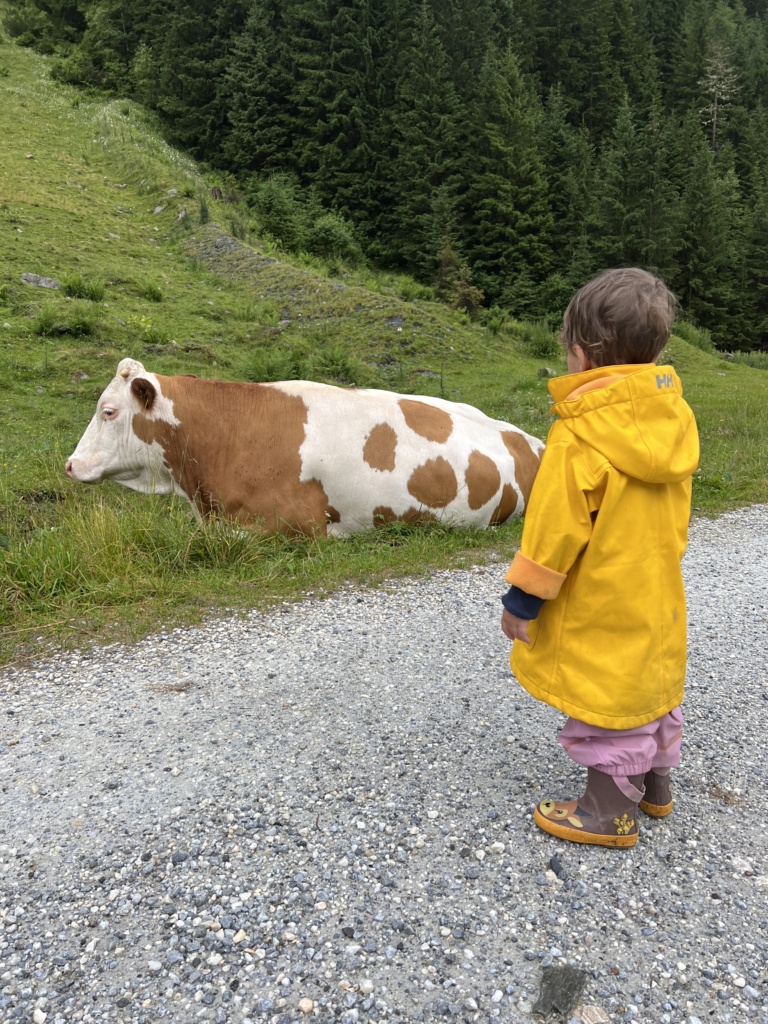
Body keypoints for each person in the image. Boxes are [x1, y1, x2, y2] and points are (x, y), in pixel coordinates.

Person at [501, 268, 700, 848]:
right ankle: (655, 788)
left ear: (583, 355)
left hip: (603, 596)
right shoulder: (675, 420)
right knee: (648, 687)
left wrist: (522, 600)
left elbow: (552, 531)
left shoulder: (581, 434)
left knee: (607, 695)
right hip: (657, 587)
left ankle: (607, 812)